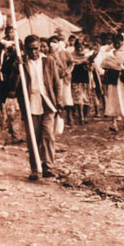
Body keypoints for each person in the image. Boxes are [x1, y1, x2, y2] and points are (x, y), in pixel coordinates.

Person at [10, 35, 62, 181]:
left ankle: (48, 166)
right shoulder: (21, 64)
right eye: (30, 49)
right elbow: (13, 86)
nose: (33, 52)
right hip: (30, 104)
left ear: (40, 47)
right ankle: (35, 168)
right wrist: (16, 69)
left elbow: (56, 82)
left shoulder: (48, 61)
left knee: (48, 135)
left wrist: (58, 101)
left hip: (47, 103)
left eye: (36, 49)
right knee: (33, 138)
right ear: (25, 49)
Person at [101, 34, 124, 131]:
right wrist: (112, 65)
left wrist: (123, 68)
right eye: (115, 43)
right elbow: (104, 63)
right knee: (113, 100)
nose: (117, 45)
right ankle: (114, 123)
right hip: (113, 78)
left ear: (123, 41)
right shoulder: (110, 52)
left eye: (119, 43)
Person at [70, 40, 92, 125]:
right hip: (75, 79)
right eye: (77, 46)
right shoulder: (71, 55)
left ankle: (85, 116)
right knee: (78, 99)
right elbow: (70, 64)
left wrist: (88, 65)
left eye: (81, 46)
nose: (79, 48)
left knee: (86, 99)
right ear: (75, 47)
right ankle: (81, 116)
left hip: (86, 79)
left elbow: (91, 67)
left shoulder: (87, 55)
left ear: (84, 46)